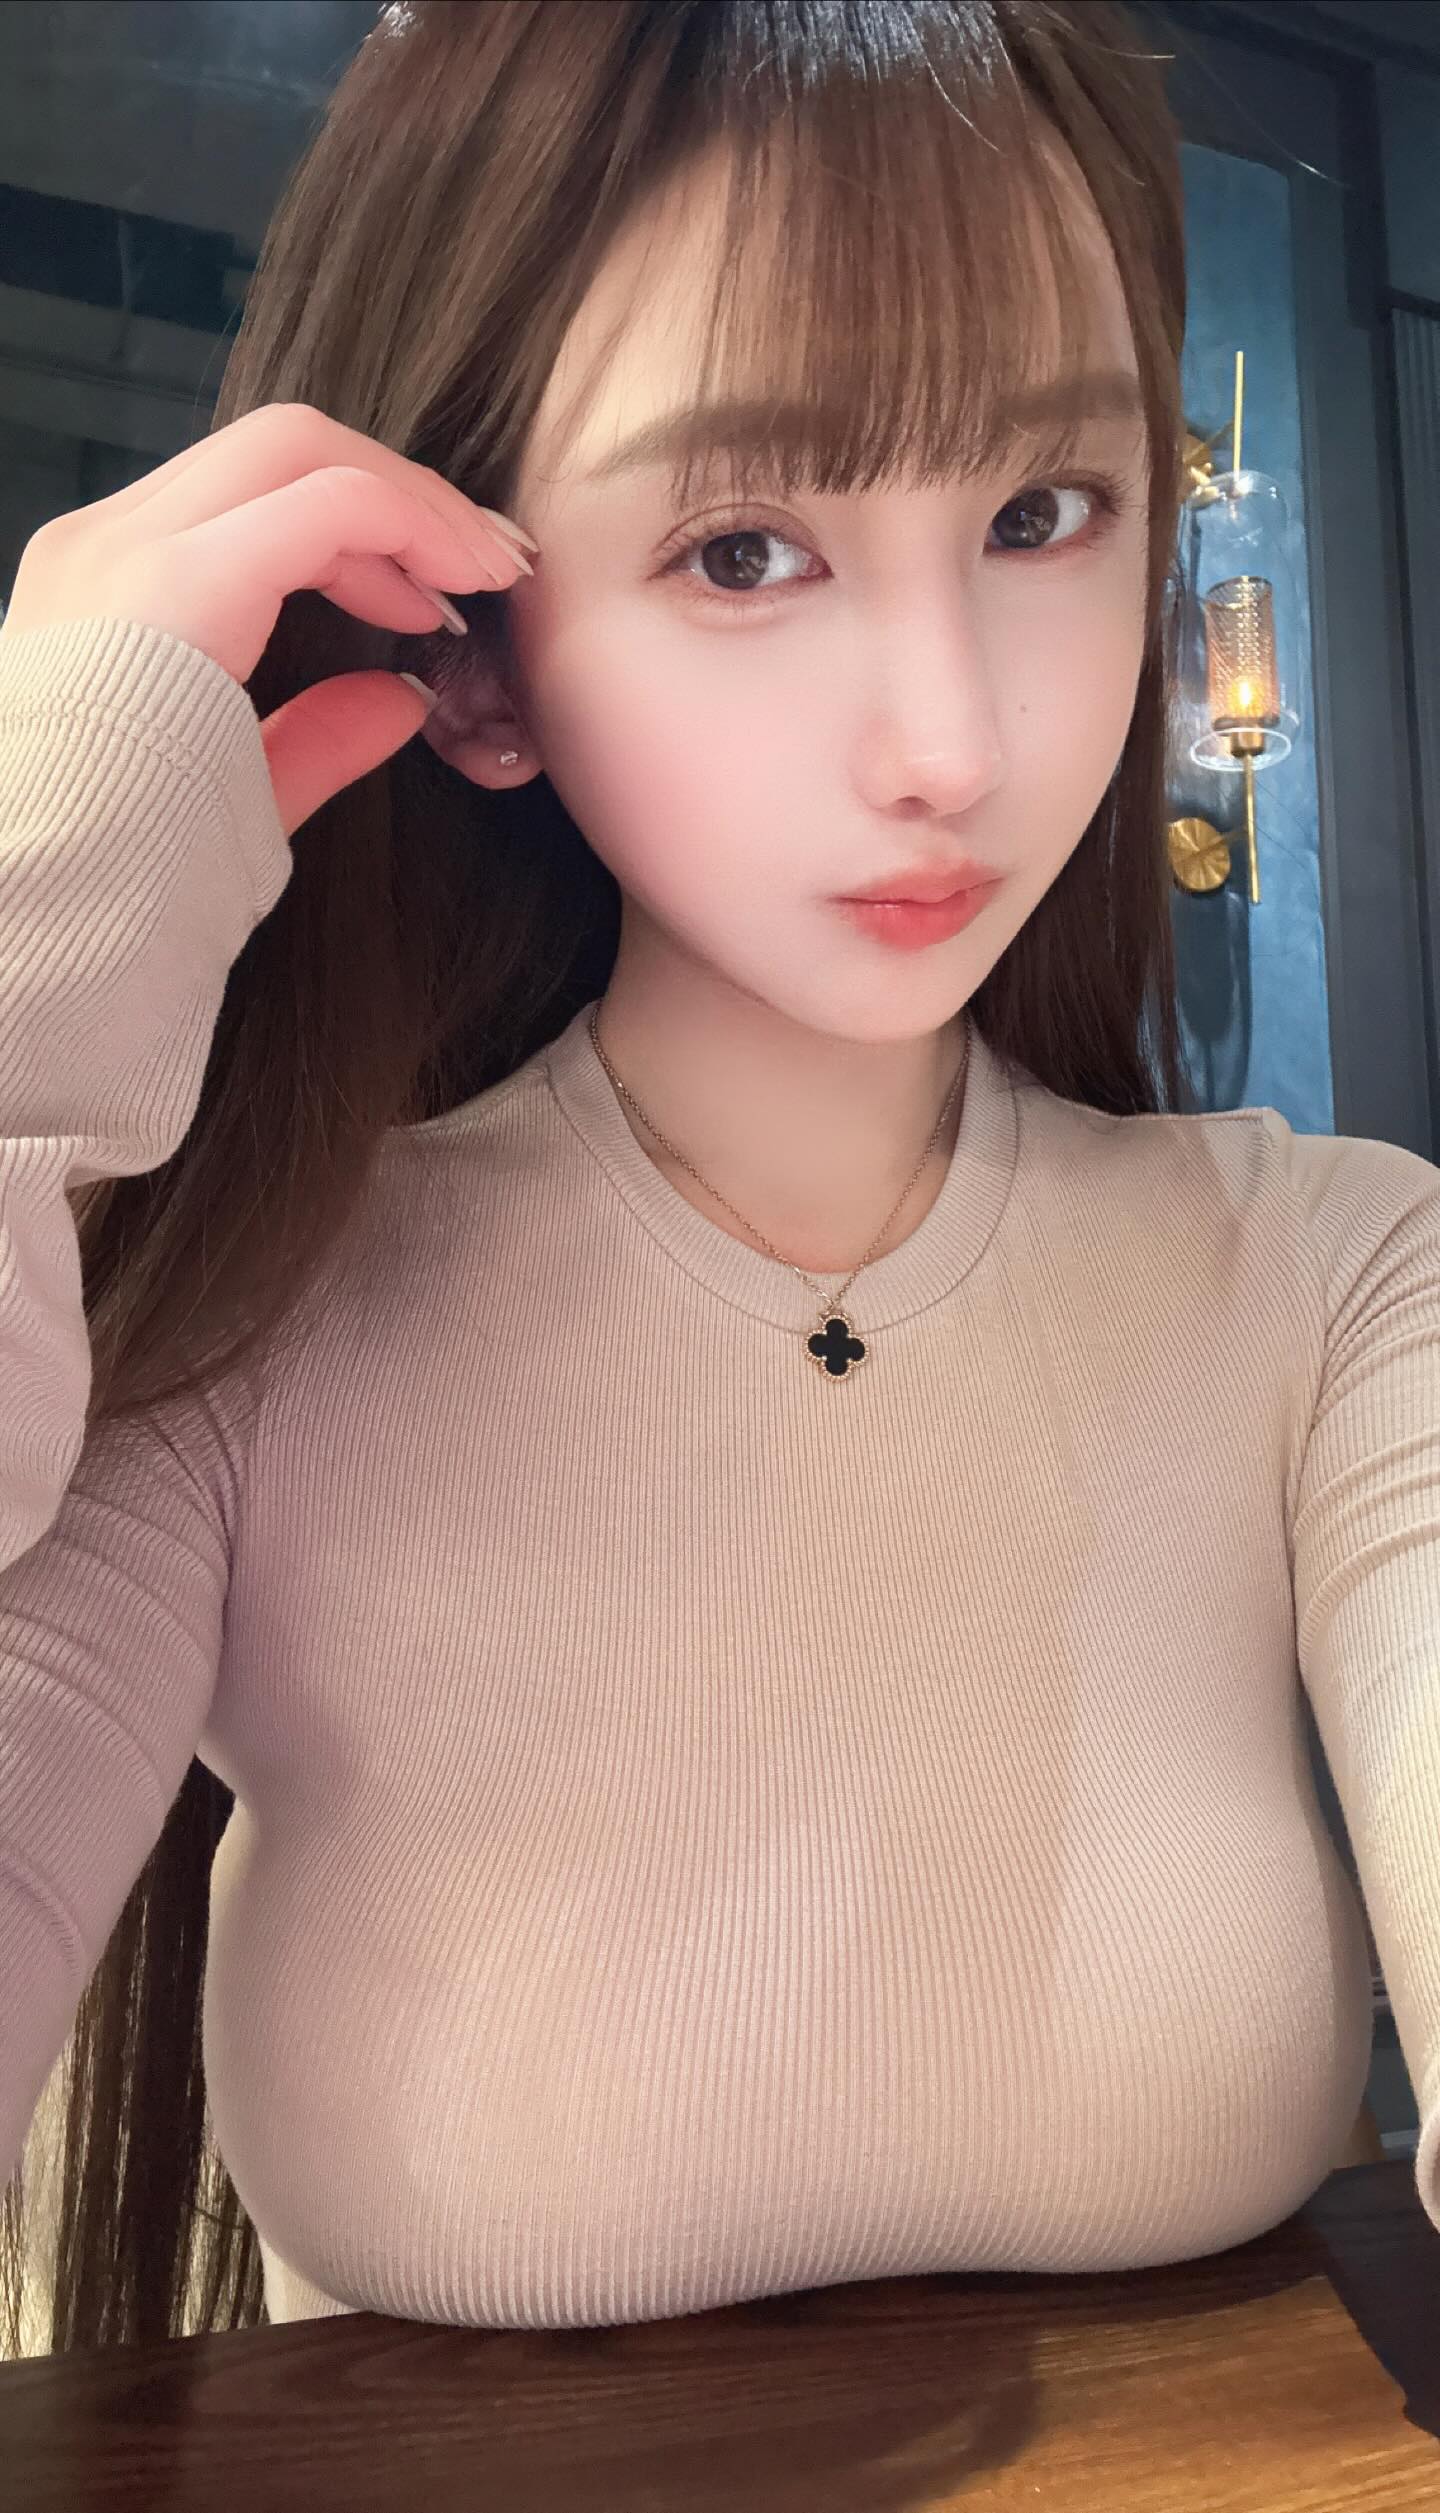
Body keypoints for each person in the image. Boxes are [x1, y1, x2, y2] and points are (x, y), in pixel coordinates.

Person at [1, 0, 1436, 2356]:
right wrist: (30, 946)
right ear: (470, 657)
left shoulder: (1338, 1283)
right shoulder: (245, 1340)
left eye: (1043, 515)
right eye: (746, 547)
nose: (954, 741)